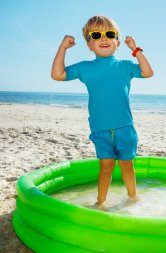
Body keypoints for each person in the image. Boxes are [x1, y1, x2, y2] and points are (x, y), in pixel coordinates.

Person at [51, 15, 153, 209]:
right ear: (89, 45)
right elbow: (57, 74)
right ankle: (100, 203)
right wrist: (63, 48)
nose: (103, 38)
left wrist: (135, 49)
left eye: (109, 34)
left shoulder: (124, 66)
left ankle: (132, 198)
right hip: (100, 130)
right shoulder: (85, 68)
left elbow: (148, 72)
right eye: (96, 35)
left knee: (127, 166)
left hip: (125, 128)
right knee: (105, 168)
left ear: (117, 42)